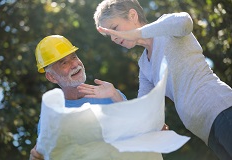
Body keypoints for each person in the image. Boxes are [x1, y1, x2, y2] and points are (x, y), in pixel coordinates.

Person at [90, 0, 232, 159]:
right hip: (208, 134)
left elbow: (185, 22)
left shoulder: (166, 28)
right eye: (109, 35)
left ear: (132, 15)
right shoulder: (144, 65)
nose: (114, 38)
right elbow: (143, 112)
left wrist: (137, 33)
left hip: (222, 110)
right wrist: (114, 95)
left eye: (114, 29)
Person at [29, 35, 163, 160]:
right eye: (64, 63)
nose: (75, 65)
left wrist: (116, 96)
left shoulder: (109, 94)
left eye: (74, 57)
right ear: (51, 77)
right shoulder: (52, 118)